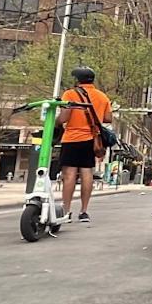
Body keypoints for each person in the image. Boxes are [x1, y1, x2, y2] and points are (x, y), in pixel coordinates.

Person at [57, 66, 111, 224]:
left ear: (77, 80)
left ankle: (66, 211)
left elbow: (64, 117)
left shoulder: (70, 94)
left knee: (69, 175)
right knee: (87, 174)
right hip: (91, 139)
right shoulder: (102, 97)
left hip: (72, 138)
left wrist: (55, 122)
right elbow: (108, 118)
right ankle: (84, 211)